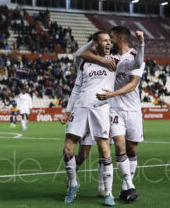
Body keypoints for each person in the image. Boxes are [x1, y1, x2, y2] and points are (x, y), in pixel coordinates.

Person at [61, 29, 144, 206]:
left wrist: (142, 43)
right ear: (96, 44)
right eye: (104, 41)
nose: (109, 43)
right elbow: (77, 80)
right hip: (81, 107)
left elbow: (137, 63)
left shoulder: (116, 62)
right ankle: (73, 185)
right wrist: (67, 110)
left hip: (101, 110)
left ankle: (108, 193)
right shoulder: (83, 63)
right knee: (68, 149)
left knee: (105, 151)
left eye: (110, 40)